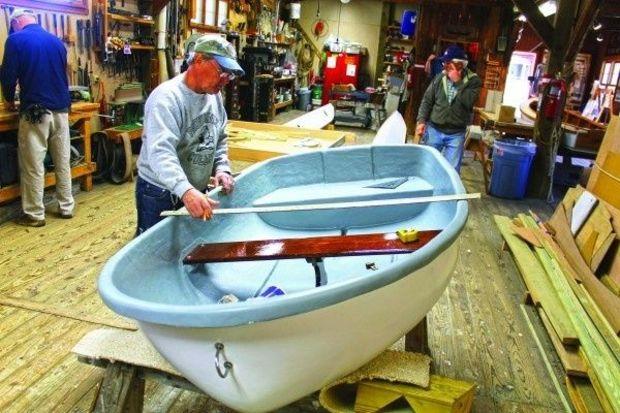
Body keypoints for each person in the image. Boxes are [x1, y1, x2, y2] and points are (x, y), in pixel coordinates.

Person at [135, 34, 244, 235]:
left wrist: (222, 169)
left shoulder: (215, 97)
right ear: (199, 60)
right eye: (222, 71)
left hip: (192, 188)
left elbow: (219, 138)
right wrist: (185, 190)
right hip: (160, 191)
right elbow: (161, 152)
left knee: (187, 247)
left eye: (230, 75)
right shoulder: (167, 99)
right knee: (154, 255)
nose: (226, 80)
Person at [0, 8, 74, 227]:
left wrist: (8, 101)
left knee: (33, 165)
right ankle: (66, 207)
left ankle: (34, 214)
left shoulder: (15, 40)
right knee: (62, 162)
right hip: (61, 110)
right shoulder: (57, 42)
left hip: (35, 112)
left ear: (16, 22)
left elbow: (8, 76)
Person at [416, 45, 481, 172]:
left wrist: (458, 82)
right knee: (427, 166)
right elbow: (427, 101)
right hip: (434, 129)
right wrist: (421, 121)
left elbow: (468, 102)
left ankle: (447, 192)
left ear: (460, 65)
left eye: (448, 62)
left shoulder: (474, 81)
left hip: (456, 134)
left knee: (451, 171)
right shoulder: (440, 78)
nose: (444, 65)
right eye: (444, 62)